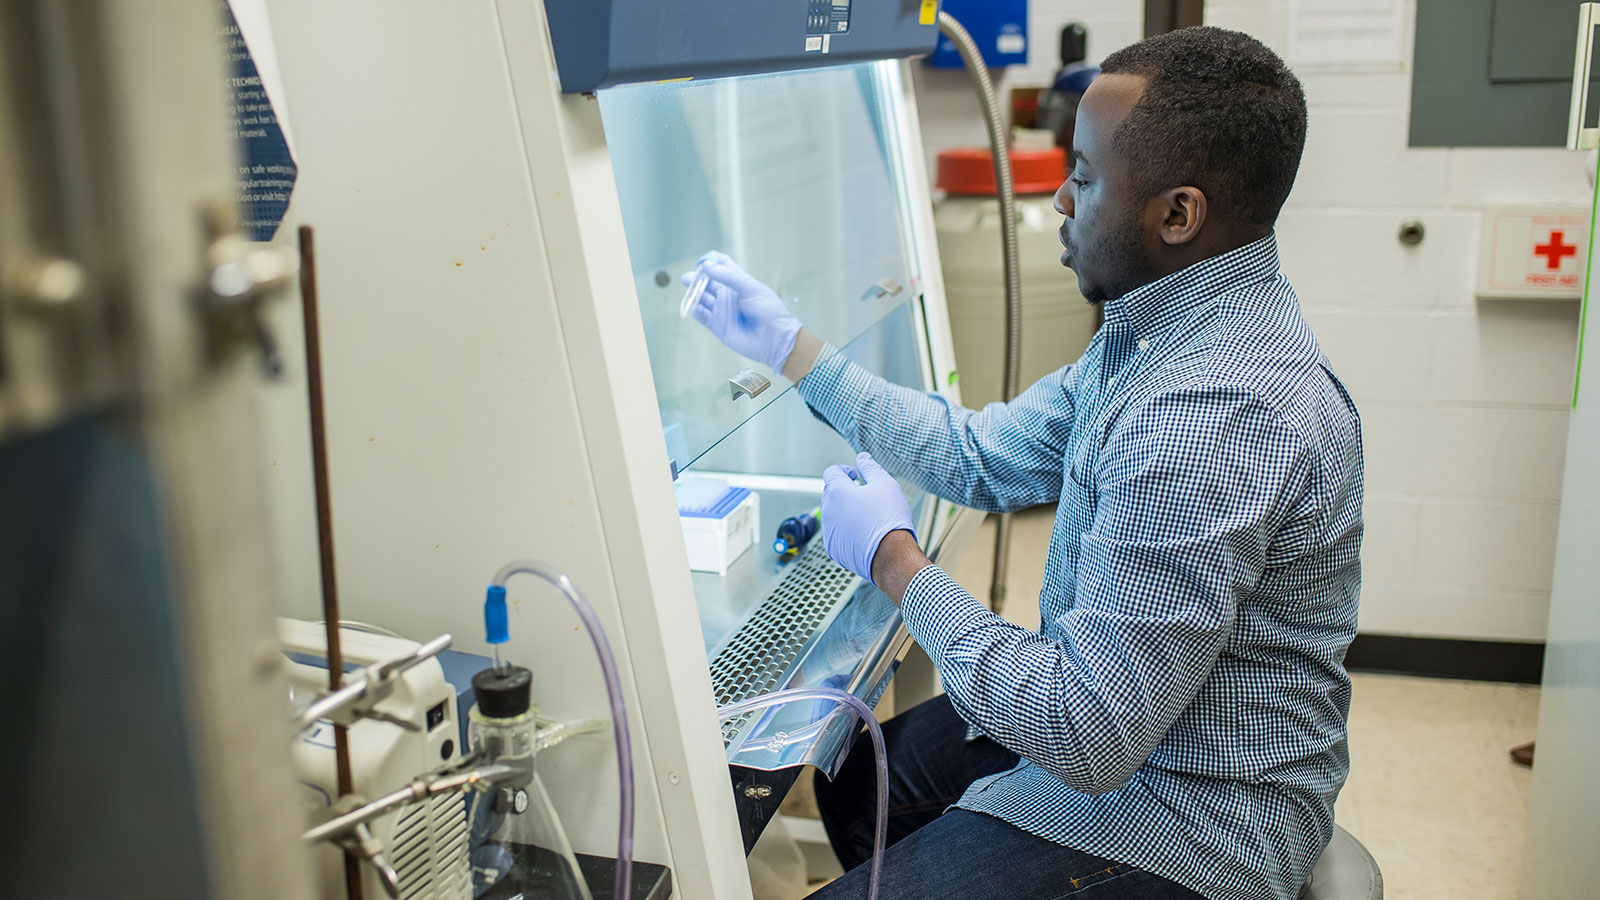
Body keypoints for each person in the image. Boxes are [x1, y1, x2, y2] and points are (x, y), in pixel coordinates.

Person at [685, 26, 1362, 900]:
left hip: (1191, 821)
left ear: (1177, 214)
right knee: (861, 780)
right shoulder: (1158, 333)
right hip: (1138, 730)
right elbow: (976, 455)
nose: (1060, 202)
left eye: (1083, 177)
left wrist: (897, 561)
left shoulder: (1208, 415)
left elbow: (1088, 731)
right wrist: (795, 349)